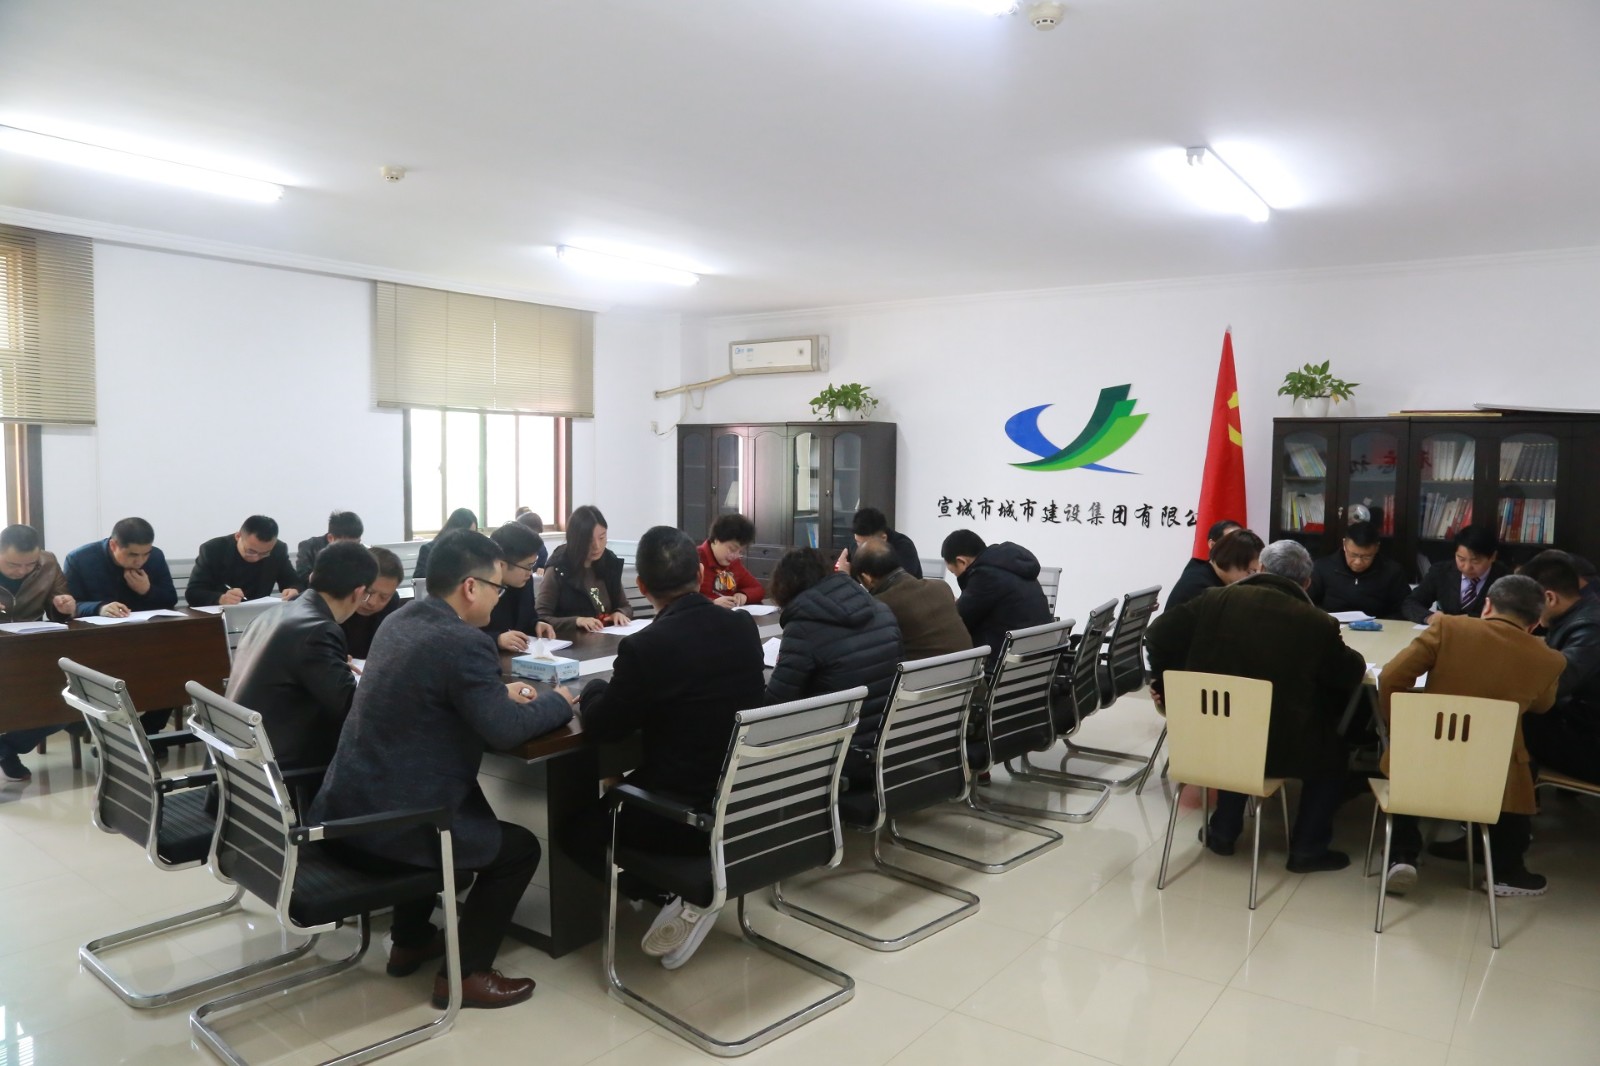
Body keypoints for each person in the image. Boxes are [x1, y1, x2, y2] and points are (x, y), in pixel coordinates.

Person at [309, 529, 576, 1010]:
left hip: (347, 809)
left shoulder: (401, 620)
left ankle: (410, 940)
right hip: (394, 827)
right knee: (518, 851)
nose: (499, 598)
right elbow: (504, 731)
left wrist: (494, 696)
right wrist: (559, 701)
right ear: (471, 587)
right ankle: (464, 974)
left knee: (426, 806)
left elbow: (438, 695)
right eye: (497, 588)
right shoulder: (463, 642)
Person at [564, 526, 767, 970]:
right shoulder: (741, 628)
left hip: (683, 815)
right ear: (700, 574)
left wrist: (593, 690)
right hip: (744, 798)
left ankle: (676, 890)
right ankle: (674, 891)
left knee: (575, 830)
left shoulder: (646, 646)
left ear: (641, 586)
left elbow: (606, 726)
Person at [1145, 540, 1365, 873]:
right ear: (1306, 583)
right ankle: (1307, 850)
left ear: (1260, 568)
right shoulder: (1315, 622)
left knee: (1237, 736)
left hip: (1213, 734)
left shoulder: (1214, 600)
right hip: (1281, 748)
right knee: (1334, 758)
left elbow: (1156, 636)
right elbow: (1349, 674)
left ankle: (1223, 832)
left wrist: (1168, 687)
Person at [1378, 575, 1566, 896]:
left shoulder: (1448, 628)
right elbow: (1542, 706)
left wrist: (1404, 726)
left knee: (1413, 759)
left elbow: (1392, 677)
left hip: (1426, 756)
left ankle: (1402, 855)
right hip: (1491, 771)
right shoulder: (1550, 659)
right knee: (1520, 766)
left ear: (1487, 605)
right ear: (1535, 623)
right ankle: (1506, 871)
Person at [225, 542, 376, 771]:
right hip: (282, 773)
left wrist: (335, 666)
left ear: (313, 576)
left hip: (243, 763)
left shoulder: (275, 612)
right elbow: (351, 710)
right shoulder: (319, 629)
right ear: (359, 592)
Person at [766, 547, 902, 784]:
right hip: (886, 742)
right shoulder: (882, 610)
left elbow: (774, 706)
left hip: (838, 752)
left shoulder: (803, 627)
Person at [0, 525, 77, 782]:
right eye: (13, 565)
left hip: (30, 647)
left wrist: (65, 607)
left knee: (64, 699)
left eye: (30, 565)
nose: (22, 571)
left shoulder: (48, 562)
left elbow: (60, 608)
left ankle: (6, 749)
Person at [1518, 552, 1600, 784]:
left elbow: (1553, 685)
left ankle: (1514, 802)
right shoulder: (1579, 614)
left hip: (1590, 741)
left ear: (1550, 597)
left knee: (1508, 720)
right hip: (1582, 722)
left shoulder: (1589, 628)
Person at [939, 529, 1051, 674]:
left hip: (1002, 669)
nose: (956, 576)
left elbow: (957, 623)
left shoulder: (985, 577)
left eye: (954, 572)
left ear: (962, 561)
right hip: (1034, 664)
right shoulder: (1009, 566)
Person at [855, 540, 970, 660]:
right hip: (969, 668)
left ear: (867, 578)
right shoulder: (942, 587)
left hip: (927, 671)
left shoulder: (879, 607)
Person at [537, 505, 630, 637]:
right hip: (574, 642)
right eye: (589, 541)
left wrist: (620, 613)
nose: (597, 546)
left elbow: (625, 606)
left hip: (607, 639)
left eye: (602, 538)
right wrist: (577, 621)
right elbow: (541, 618)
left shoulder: (609, 562)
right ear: (575, 540)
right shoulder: (559, 568)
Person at [63, 517, 179, 618]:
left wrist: (147, 591)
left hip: (146, 628)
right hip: (97, 631)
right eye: (133, 555)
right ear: (113, 545)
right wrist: (99, 608)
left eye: (146, 554)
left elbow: (171, 600)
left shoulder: (156, 556)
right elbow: (69, 606)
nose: (140, 561)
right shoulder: (79, 560)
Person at [186, 515, 303, 607]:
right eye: (251, 551)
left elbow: (294, 582)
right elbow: (193, 593)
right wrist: (220, 598)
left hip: (259, 616)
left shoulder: (278, 549)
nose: (256, 557)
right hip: (218, 617)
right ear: (238, 536)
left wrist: (294, 590)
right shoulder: (213, 549)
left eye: (264, 553)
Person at [1402, 525, 1510, 623]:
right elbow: (1411, 603)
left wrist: (1464, 620)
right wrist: (1429, 617)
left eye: (1475, 561)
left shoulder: (1506, 579)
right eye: (1461, 559)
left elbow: (1509, 616)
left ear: (1493, 557)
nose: (1467, 567)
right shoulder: (1441, 572)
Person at [1308, 521, 1412, 619]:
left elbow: (1404, 609)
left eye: (1366, 557)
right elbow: (1307, 603)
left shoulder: (1392, 571)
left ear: (1377, 548)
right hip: (1332, 626)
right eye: (1353, 555)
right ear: (1344, 545)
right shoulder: (1323, 567)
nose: (1358, 562)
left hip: (1378, 628)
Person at [485, 523, 556, 652]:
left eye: (533, 565)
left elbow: (527, 618)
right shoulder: (480, 588)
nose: (530, 573)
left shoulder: (524, 581)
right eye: (527, 566)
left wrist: (536, 624)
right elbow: (463, 634)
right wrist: (497, 639)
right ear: (501, 565)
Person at [1165, 527, 1264, 611]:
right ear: (1230, 561)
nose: (1252, 579)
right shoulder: (1200, 590)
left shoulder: (1206, 572)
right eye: (1250, 572)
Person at [340, 546, 405, 659]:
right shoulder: (335, 601)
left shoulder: (392, 602)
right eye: (368, 592)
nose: (372, 602)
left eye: (384, 597)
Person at [1169, 519, 1242, 610]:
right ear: (1212, 545)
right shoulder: (1198, 584)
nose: (1239, 551)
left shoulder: (1216, 573)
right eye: (1232, 544)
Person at [697, 513, 764, 607]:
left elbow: (757, 589)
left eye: (740, 552)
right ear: (716, 540)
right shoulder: (694, 558)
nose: (735, 556)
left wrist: (744, 595)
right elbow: (681, 597)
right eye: (732, 549)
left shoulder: (734, 564)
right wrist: (711, 603)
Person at [836, 507, 922, 578]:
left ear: (883, 538)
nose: (860, 549)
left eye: (865, 544)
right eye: (857, 541)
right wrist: (843, 574)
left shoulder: (903, 547)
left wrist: (846, 577)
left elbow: (900, 584)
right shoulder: (855, 545)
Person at [294, 510, 364, 585]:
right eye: (347, 544)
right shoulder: (309, 547)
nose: (352, 549)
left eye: (357, 543)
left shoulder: (363, 553)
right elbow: (302, 579)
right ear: (330, 538)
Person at [413, 507, 478, 581]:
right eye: (467, 533)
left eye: (473, 534)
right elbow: (419, 579)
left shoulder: (471, 552)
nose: (470, 538)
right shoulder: (428, 549)